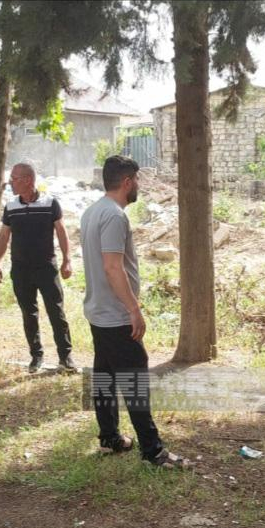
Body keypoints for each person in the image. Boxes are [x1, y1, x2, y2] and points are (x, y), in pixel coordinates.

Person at [80, 155, 189, 468]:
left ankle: (110, 438)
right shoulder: (114, 216)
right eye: (137, 180)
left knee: (104, 375)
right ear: (127, 182)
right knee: (135, 380)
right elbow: (113, 267)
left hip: (98, 311)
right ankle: (153, 452)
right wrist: (134, 309)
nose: (138, 185)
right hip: (115, 314)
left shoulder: (92, 211)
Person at [0, 163, 78, 374]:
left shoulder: (50, 203)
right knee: (28, 313)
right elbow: (3, 237)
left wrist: (67, 260)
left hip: (46, 267)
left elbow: (61, 232)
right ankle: (36, 356)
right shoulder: (11, 206)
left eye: (14, 178)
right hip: (21, 269)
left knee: (56, 311)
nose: (11, 182)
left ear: (28, 180)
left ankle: (65, 356)